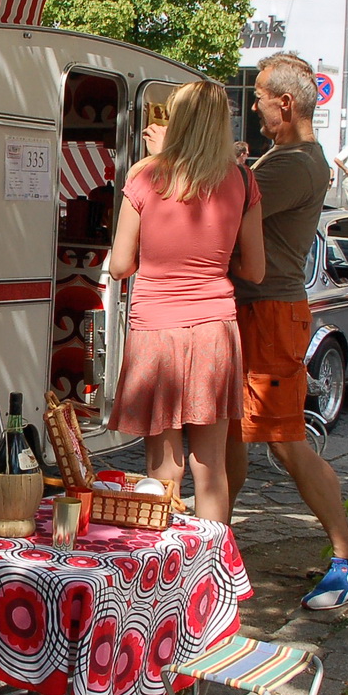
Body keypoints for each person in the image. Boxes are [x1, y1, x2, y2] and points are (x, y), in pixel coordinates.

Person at [227, 52, 348, 610]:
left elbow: (222, 212)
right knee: (233, 435)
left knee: (286, 442)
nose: (255, 105)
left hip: (270, 315)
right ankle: (217, 544)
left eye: (260, 96)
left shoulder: (292, 165)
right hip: (259, 312)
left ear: (284, 104)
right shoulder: (289, 158)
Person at [106, 81, 265, 527]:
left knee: (163, 466)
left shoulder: (145, 177)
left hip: (156, 325)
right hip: (215, 325)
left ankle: (160, 576)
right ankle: (215, 566)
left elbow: (120, 265)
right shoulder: (243, 180)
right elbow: (255, 270)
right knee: (211, 464)